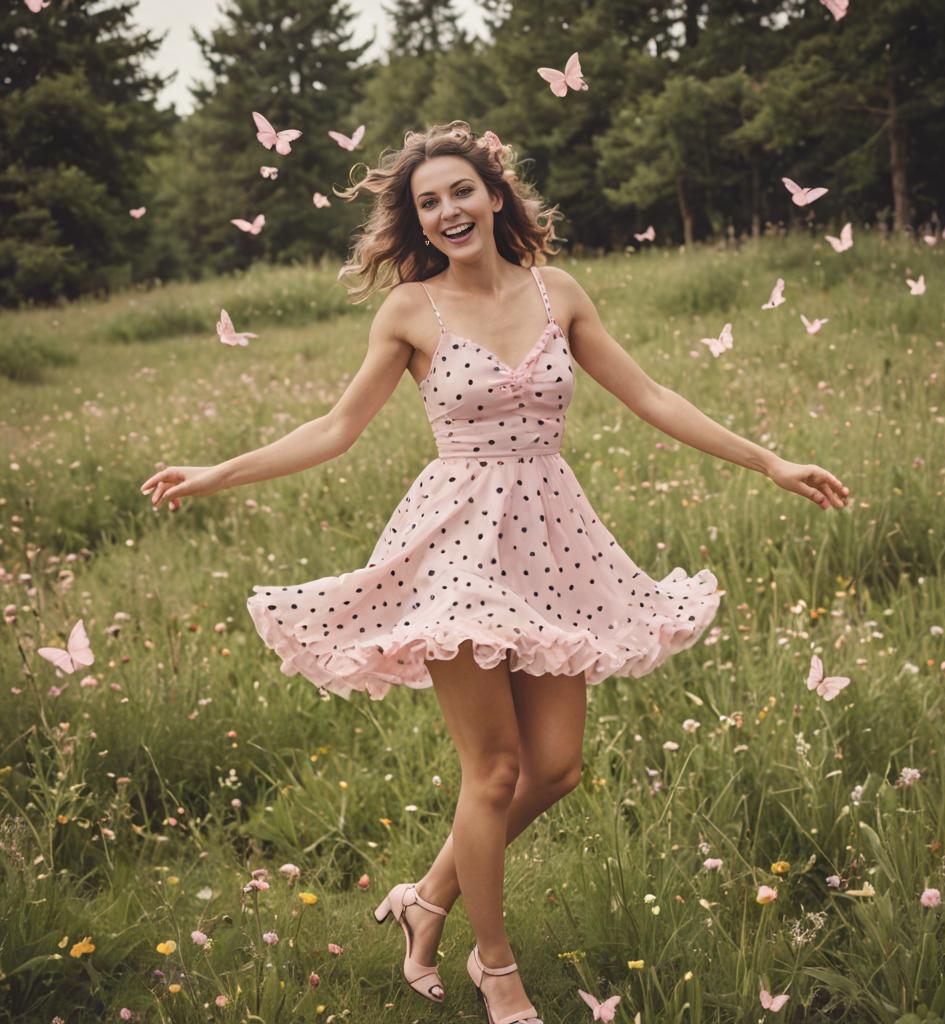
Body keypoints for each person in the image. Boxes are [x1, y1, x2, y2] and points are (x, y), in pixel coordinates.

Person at [140, 120, 850, 1024]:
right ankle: (497, 966)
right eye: (427, 202)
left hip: (554, 540)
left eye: (460, 192)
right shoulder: (410, 310)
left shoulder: (558, 292)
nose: (446, 211)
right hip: (456, 545)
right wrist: (217, 472)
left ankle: (425, 898)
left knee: (555, 768)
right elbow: (334, 428)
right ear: (419, 221)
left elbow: (652, 396)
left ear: (496, 195)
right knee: (496, 771)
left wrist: (770, 462)